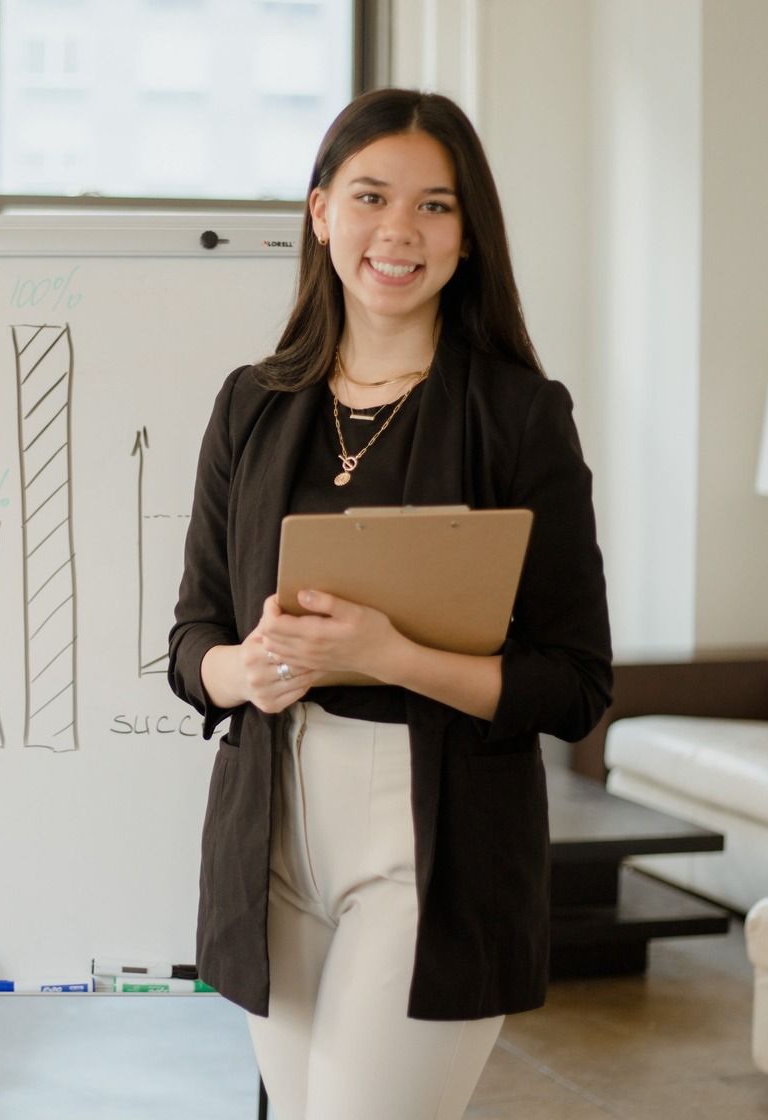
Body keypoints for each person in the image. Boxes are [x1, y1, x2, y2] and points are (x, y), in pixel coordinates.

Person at [167, 88, 613, 1120]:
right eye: (371, 196)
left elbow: (576, 683)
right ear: (321, 212)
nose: (399, 231)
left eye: (436, 206)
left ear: (470, 237)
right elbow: (193, 636)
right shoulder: (253, 404)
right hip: (270, 831)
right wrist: (252, 667)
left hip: (436, 847)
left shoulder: (518, 416)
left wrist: (390, 651)